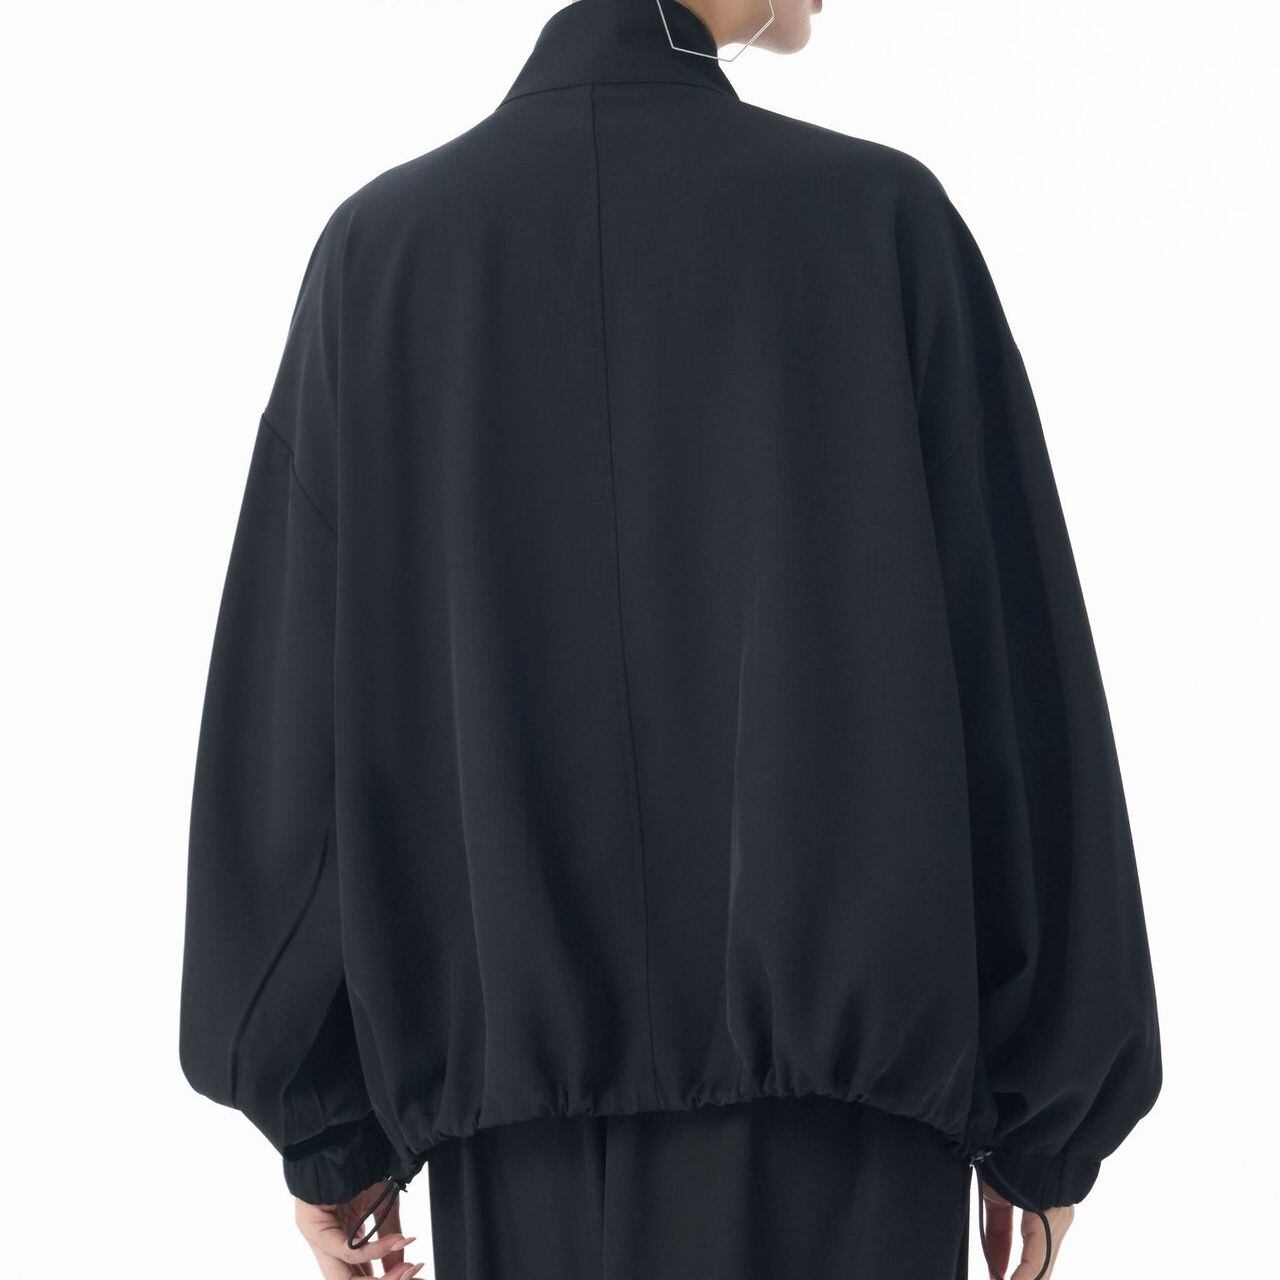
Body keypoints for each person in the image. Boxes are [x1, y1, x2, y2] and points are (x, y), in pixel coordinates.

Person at [179, 1, 1161, 1277]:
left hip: (519, 1167)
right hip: (848, 1166)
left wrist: (328, 1127)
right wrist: (1045, 1126)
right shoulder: (876, 224)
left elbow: (292, 752)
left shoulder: (382, 258)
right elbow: (1013, 693)